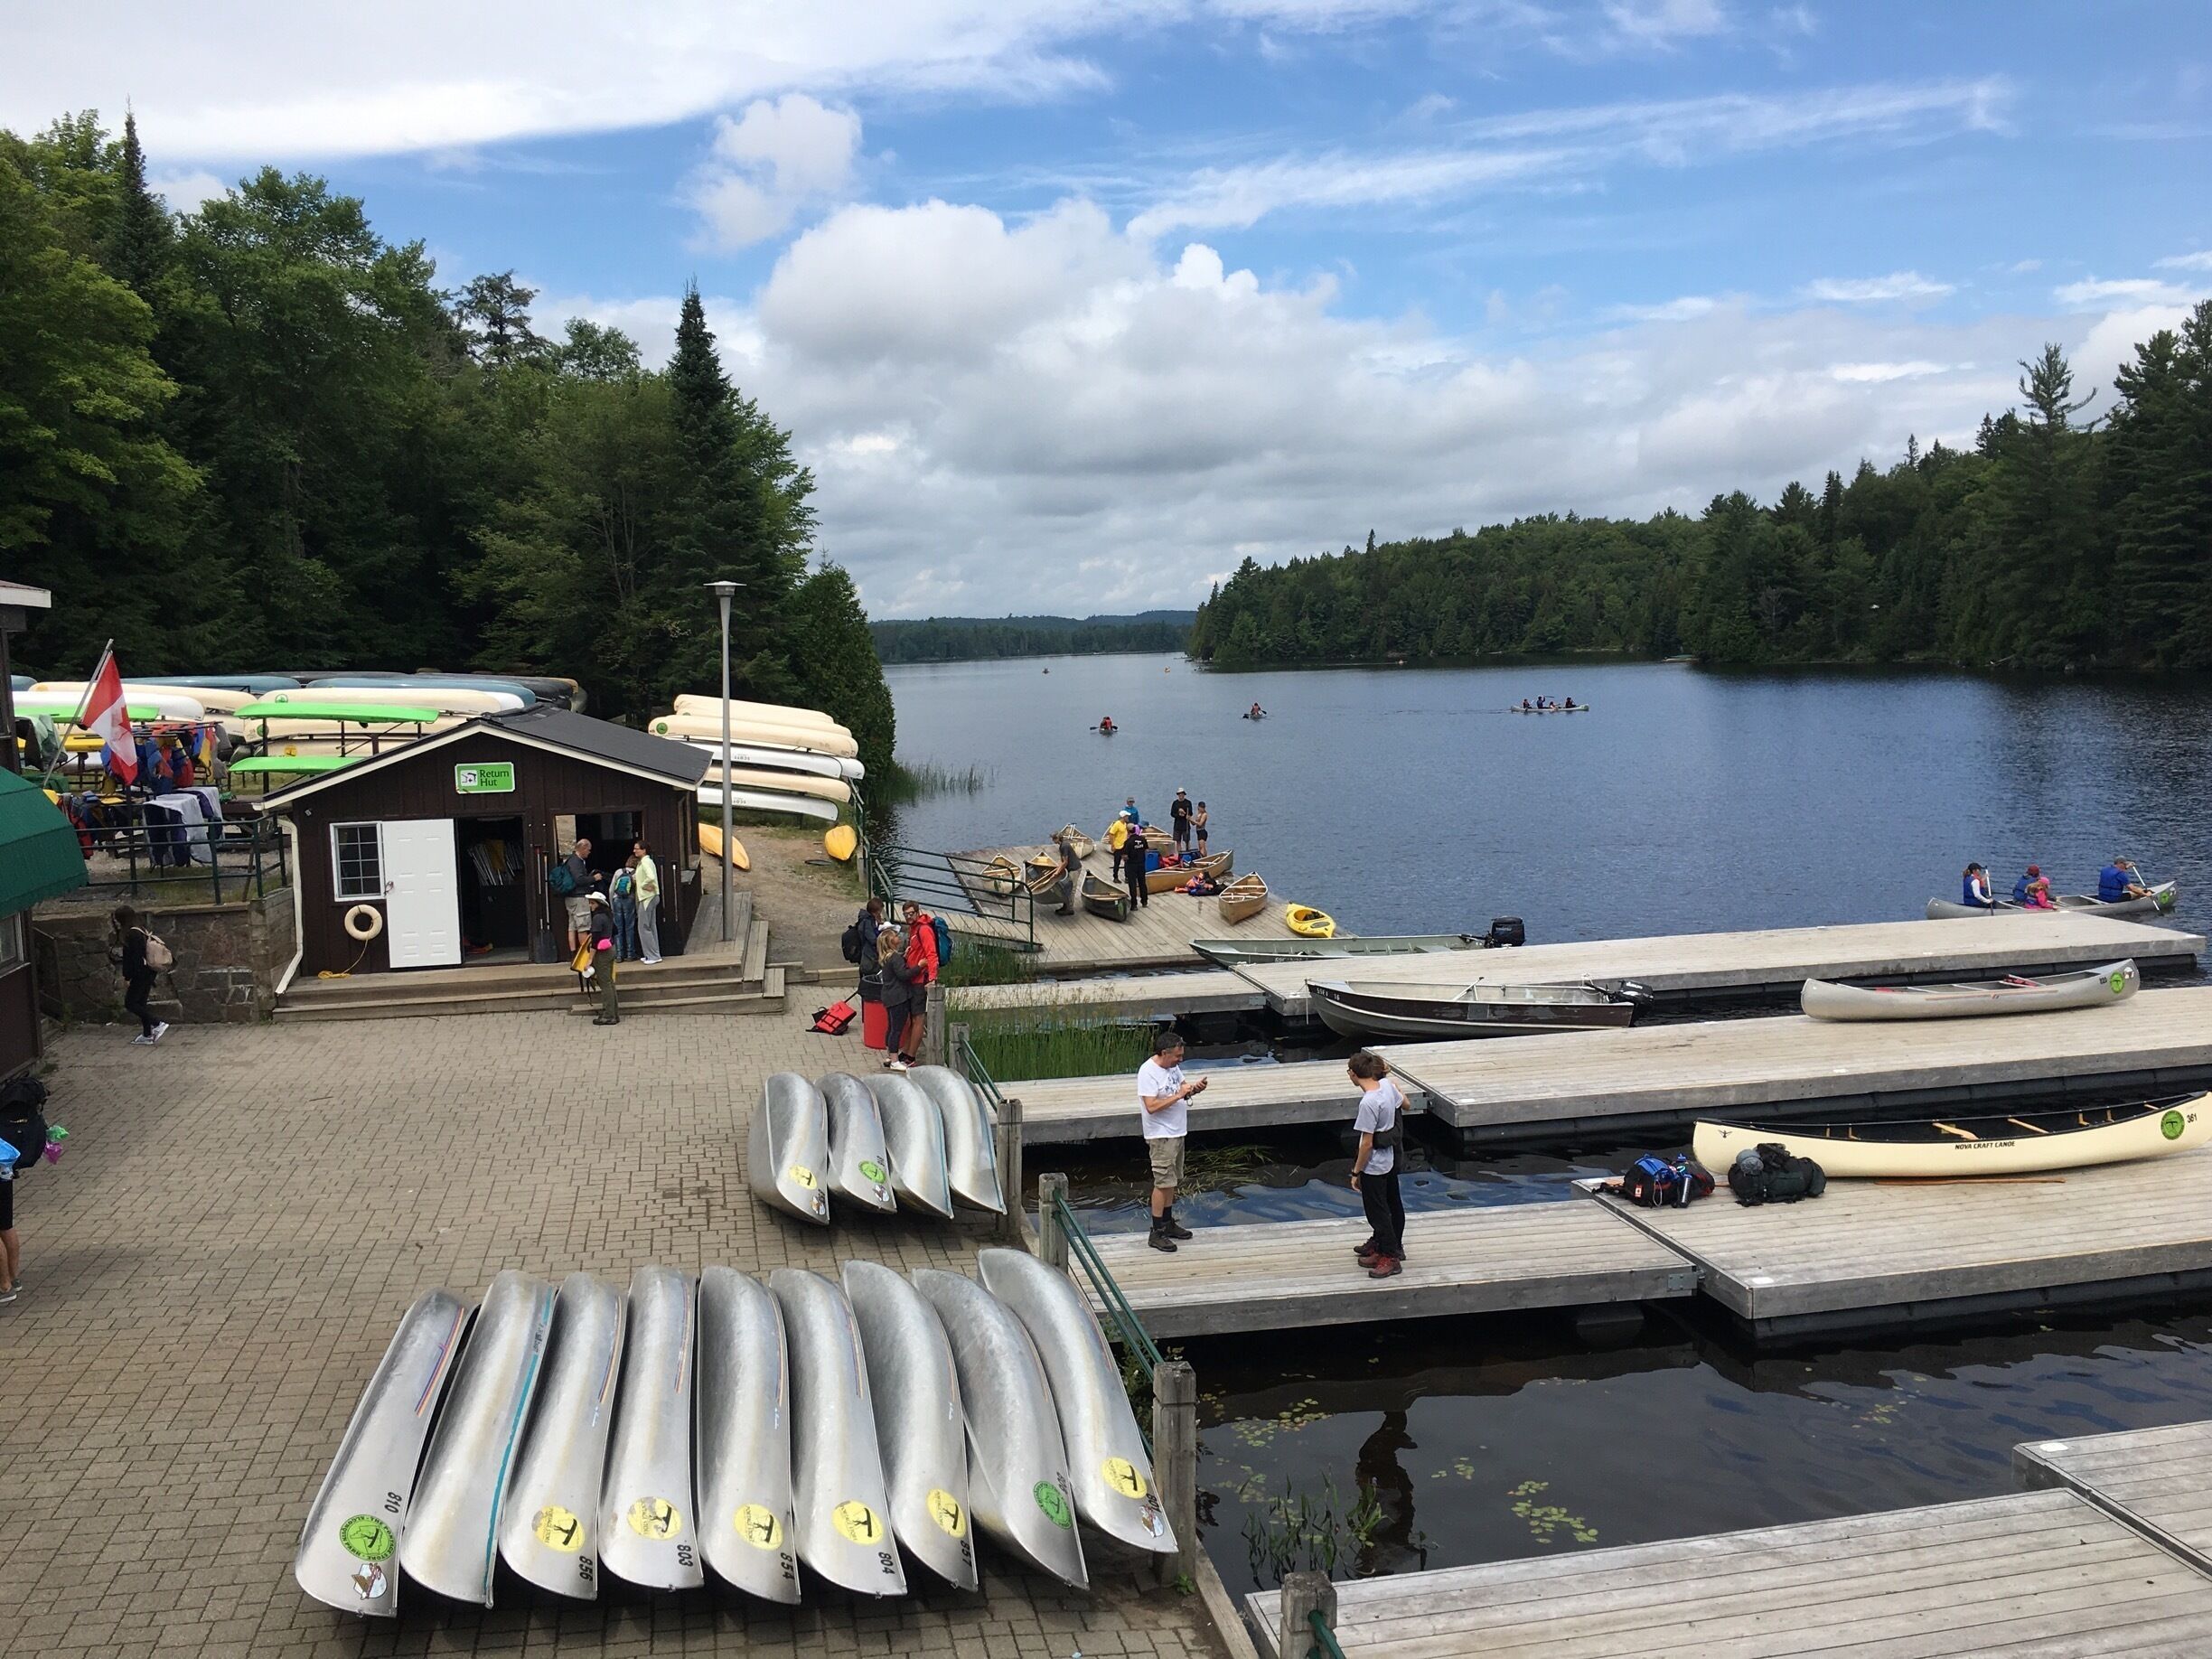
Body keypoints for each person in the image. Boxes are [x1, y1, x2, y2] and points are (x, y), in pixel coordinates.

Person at [1137, 1032, 1206, 1251]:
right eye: (1177, 1055)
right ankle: (1156, 1232)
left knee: (1172, 1181)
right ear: (1164, 1053)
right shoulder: (1148, 1072)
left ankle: (1167, 1223)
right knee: (1162, 1182)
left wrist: (1193, 1090)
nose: (1180, 1059)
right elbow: (1151, 1106)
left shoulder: (1172, 1067)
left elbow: (1182, 1088)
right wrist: (1178, 1095)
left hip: (1177, 1132)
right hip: (1161, 1135)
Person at [1348, 1051, 1407, 1279]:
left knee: (1377, 1212)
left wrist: (1356, 1171)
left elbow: (1366, 1144)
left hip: (1374, 1165)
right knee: (1392, 1202)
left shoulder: (1368, 1102)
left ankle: (1390, 1257)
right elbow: (1405, 1103)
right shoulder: (1387, 1087)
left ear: (1353, 1074)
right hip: (1390, 1158)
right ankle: (1384, 1246)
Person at [110, 904, 166, 1045]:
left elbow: (134, 958)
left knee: (130, 1003)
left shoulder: (131, 934)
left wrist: (128, 977)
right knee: (141, 1003)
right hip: (148, 972)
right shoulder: (140, 930)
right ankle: (147, 1034)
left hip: (140, 974)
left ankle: (157, 1023)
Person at [899, 900, 939, 1064]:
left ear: (917, 912)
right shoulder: (913, 928)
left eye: (911, 913)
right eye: (906, 914)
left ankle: (911, 1056)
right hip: (912, 977)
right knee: (912, 1018)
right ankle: (907, 1052)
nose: (909, 917)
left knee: (918, 1019)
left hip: (920, 980)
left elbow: (932, 954)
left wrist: (932, 978)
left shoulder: (924, 929)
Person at [876, 929, 917, 1073]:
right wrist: (920, 966)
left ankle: (889, 1055)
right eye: (895, 936)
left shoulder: (888, 957)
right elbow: (904, 975)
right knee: (897, 1029)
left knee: (891, 1027)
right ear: (890, 942)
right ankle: (895, 1061)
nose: (898, 937)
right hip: (898, 997)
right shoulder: (895, 958)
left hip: (888, 996)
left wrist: (904, 957)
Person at [586, 891, 620, 1024]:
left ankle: (608, 1015)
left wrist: (589, 959)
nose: (590, 905)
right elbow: (615, 931)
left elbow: (595, 941)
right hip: (611, 949)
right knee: (610, 982)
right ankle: (614, 1013)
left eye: (592, 903)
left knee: (604, 983)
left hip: (602, 953)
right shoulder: (608, 915)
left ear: (598, 904)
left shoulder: (597, 918)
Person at [559, 838, 594, 958]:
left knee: (572, 926)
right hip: (579, 898)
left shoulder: (569, 860)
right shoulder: (577, 862)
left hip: (570, 898)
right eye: (588, 850)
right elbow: (579, 879)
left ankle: (573, 953)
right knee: (583, 927)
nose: (589, 852)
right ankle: (585, 955)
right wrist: (593, 878)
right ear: (583, 848)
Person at [632, 839, 662, 963]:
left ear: (643, 850)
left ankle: (652, 955)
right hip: (651, 896)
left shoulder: (645, 862)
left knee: (643, 927)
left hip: (647, 898)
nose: (634, 851)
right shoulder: (646, 862)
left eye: (637, 848)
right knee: (651, 926)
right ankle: (654, 953)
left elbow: (651, 877)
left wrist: (643, 884)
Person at [611, 856, 640, 961]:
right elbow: (637, 893)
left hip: (617, 900)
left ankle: (619, 955)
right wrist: (637, 907)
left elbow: (611, 889)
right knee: (629, 928)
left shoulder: (618, 872)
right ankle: (630, 954)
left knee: (618, 929)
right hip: (629, 901)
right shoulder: (636, 874)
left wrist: (611, 903)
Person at [1123, 818, 1150, 910]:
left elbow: (1125, 856)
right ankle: (1144, 901)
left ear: (1128, 831)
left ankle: (1134, 904)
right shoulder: (1143, 839)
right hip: (1141, 864)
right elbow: (1146, 850)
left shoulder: (1128, 842)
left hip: (1131, 865)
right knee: (1142, 883)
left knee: (1132, 884)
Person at [1105, 811, 1130, 881]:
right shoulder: (1117, 824)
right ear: (1123, 817)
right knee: (1117, 863)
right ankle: (1115, 877)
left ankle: (1127, 877)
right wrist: (1112, 845)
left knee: (1127, 862)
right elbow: (1111, 834)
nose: (1128, 818)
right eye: (1127, 816)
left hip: (1124, 846)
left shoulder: (1125, 824)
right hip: (1118, 847)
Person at [1169, 789, 1195, 855]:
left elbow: (1191, 813)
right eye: (1179, 794)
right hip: (1177, 825)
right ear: (1178, 795)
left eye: (1182, 793)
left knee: (1187, 841)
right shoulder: (1175, 803)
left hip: (1185, 825)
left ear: (1184, 794)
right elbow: (1172, 814)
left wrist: (1184, 813)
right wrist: (1178, 814)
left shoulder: (1188, 803)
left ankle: (1188, 853)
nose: (1181, 795)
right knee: (1178, 841)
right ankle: (1180, 855)